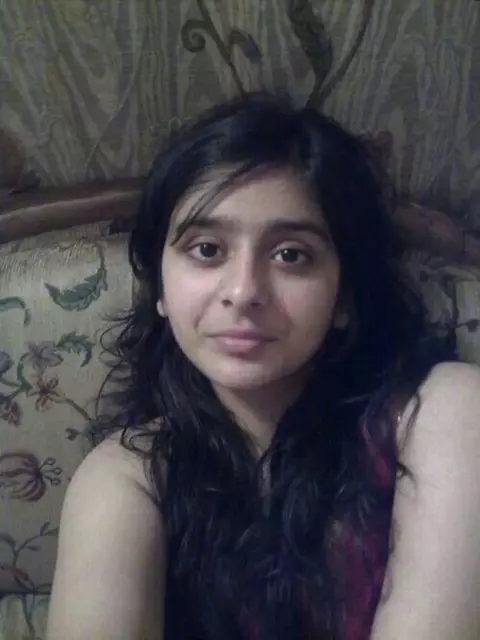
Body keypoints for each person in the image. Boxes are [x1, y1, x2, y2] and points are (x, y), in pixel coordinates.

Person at [46, 92, 480, 640]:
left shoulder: (446, 413)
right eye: (207, 249)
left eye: (290, 254)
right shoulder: (126, 476)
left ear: (345, 296)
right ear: (159, 288)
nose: (244, 291)